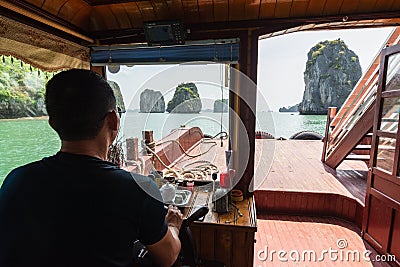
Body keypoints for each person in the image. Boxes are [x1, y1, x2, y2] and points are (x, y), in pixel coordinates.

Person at [0, 69, 183, 267]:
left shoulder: (16, 180)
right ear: (114, 120)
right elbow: (168, 257)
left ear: (52, 123)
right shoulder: (138, 188)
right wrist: (172, 225)